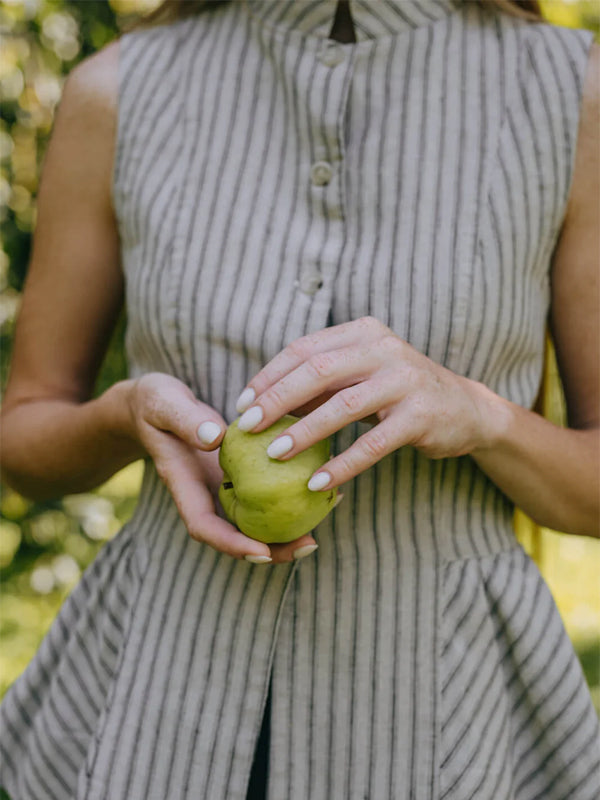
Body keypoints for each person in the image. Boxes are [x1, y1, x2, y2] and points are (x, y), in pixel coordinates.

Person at [0, 0, 598, 797]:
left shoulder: (573, 92)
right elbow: (24, 438)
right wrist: (124, 415)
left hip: (445, 722)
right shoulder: (117, 90)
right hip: (156, 710)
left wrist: (479, 414)